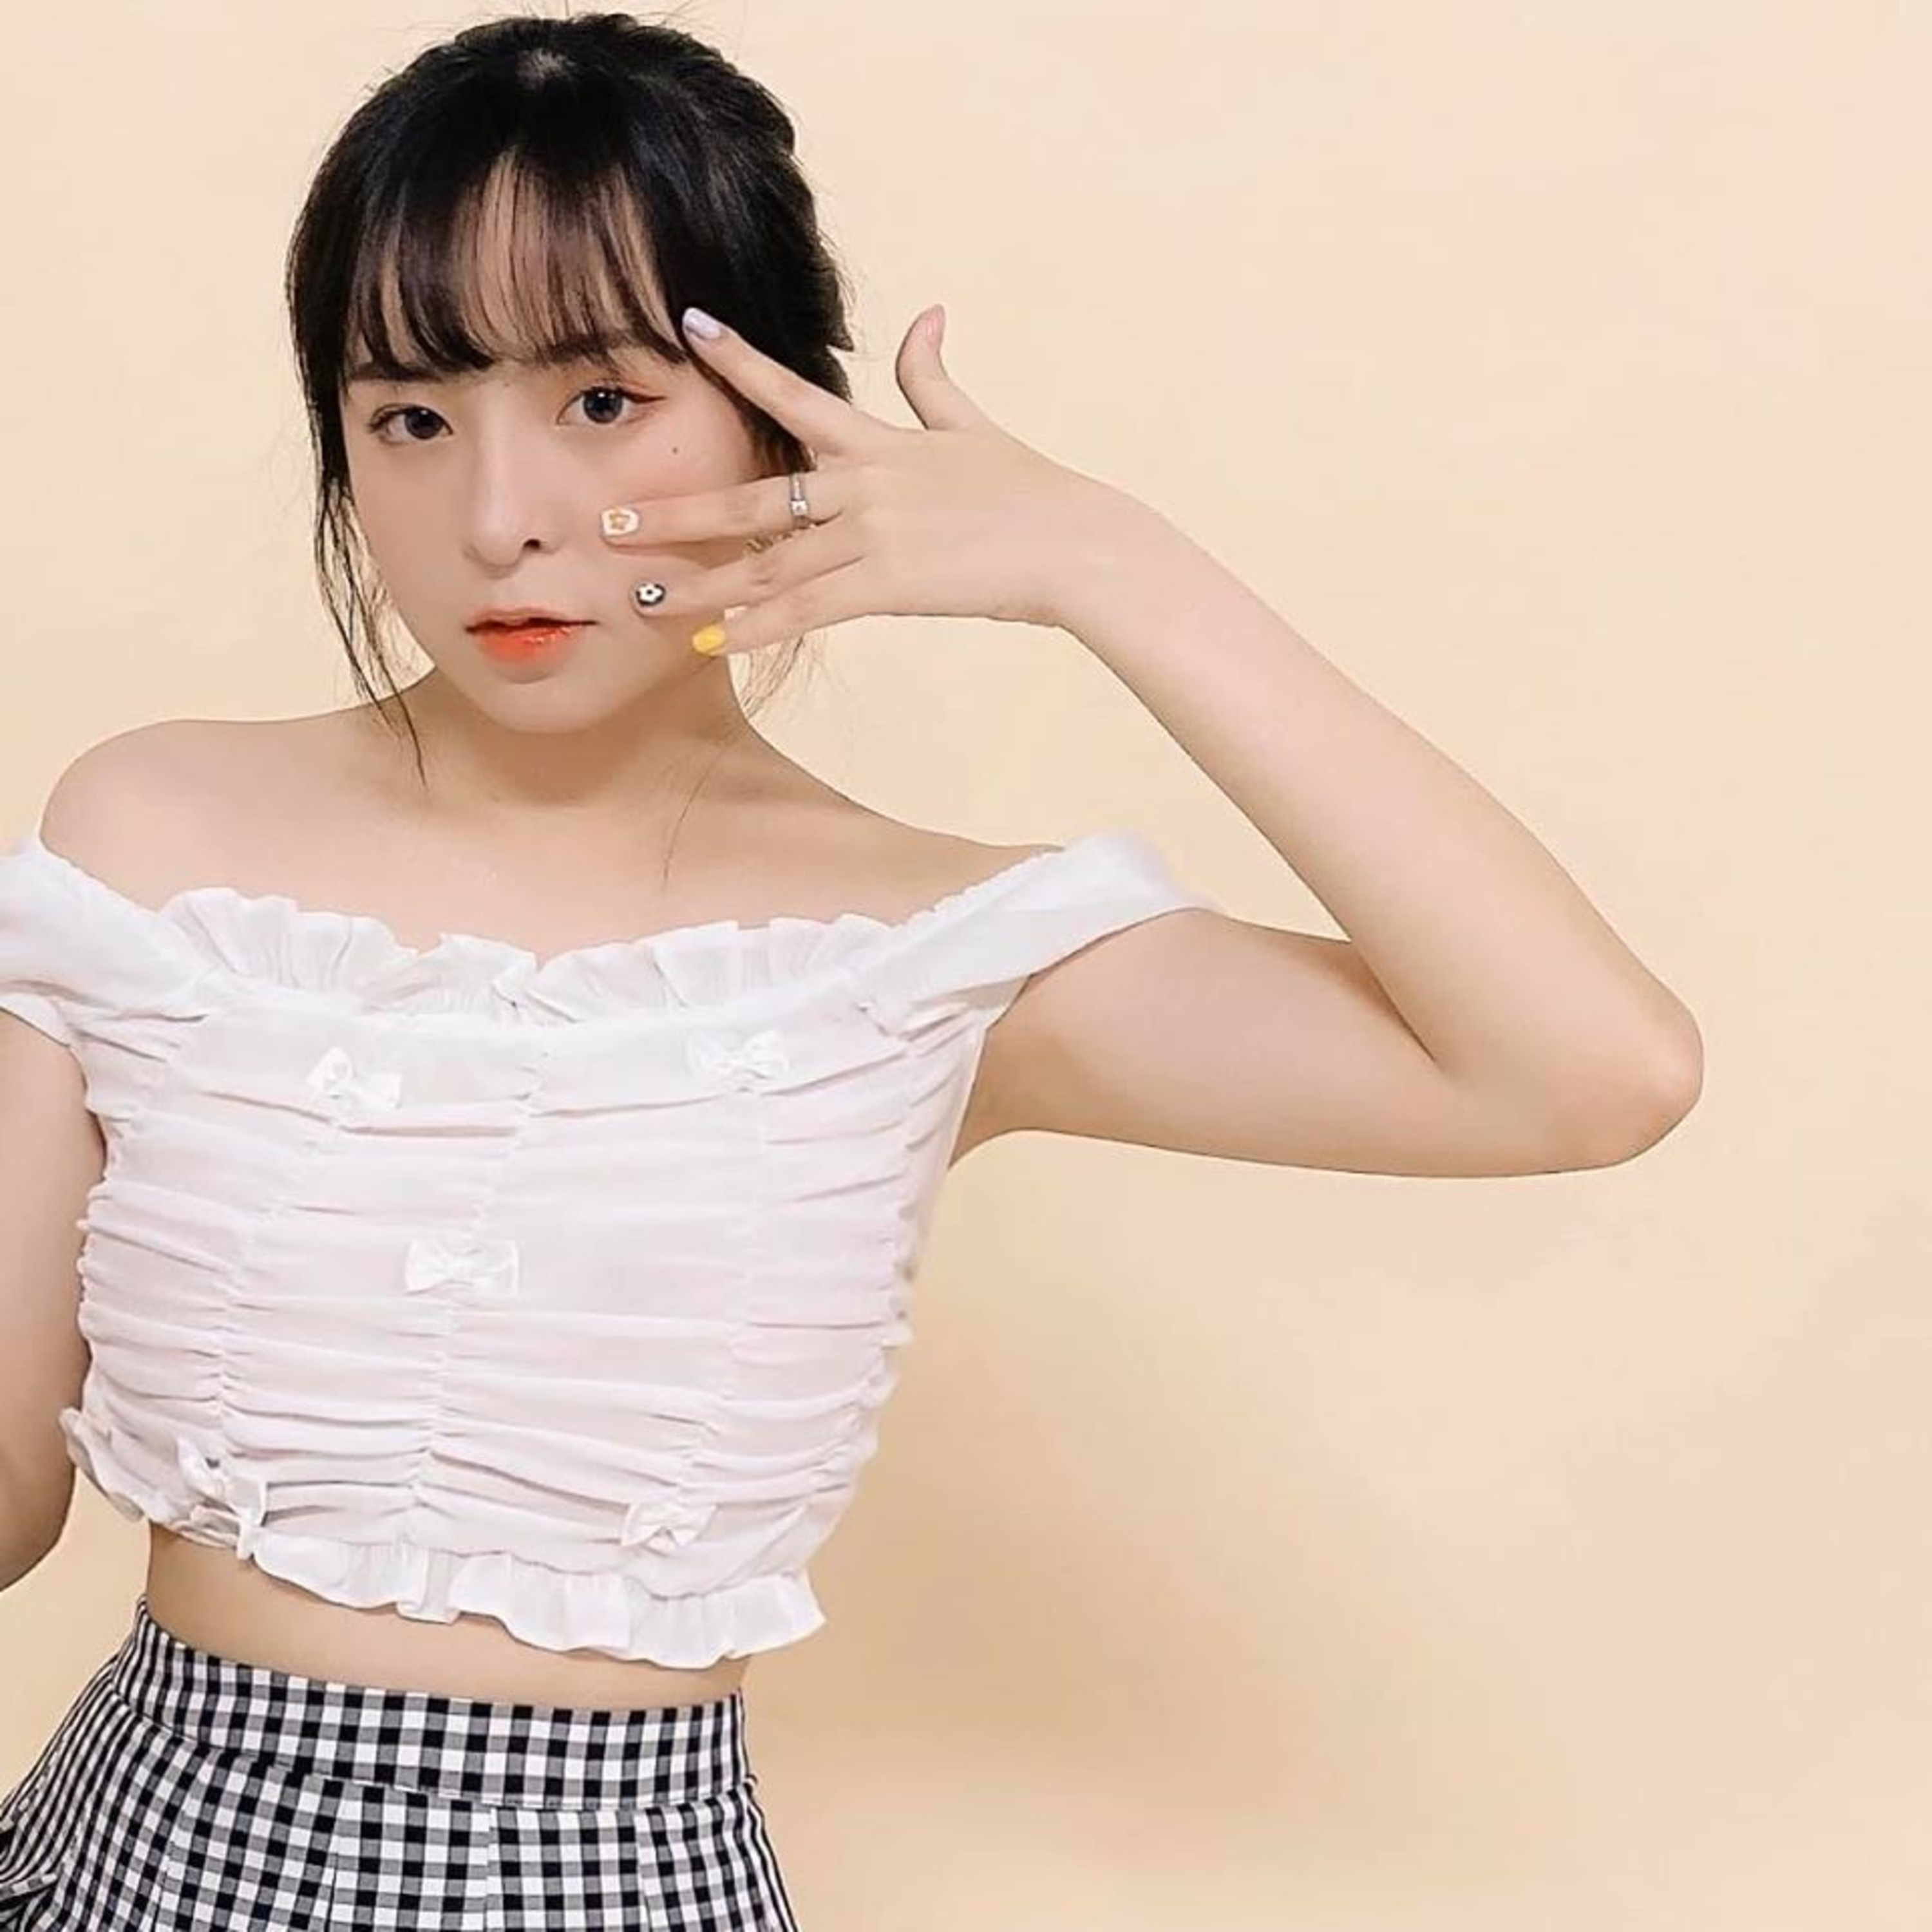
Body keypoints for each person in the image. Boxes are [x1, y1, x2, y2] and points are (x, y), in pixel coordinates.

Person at [0, 11, 1703, 1929]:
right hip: (130, 1866)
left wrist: (1114, 569)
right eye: (411, 419)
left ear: (786, 418)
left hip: (621, 1883)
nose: (497, 520)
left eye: (601, 400)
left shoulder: (921, 958)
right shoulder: (154, 832)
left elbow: (1589, 1072)